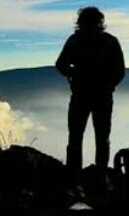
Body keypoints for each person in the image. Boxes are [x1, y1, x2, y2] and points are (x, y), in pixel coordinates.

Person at [55, 7, 125, 183]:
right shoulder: (109, 42)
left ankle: (74, 176)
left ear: (80, 22)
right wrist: (109, 86)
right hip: (101, 97)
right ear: (100, 22)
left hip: (81, 96)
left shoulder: (75, 41)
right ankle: (100, 177)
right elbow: (119, 71)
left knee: (76, 137)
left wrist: (72, 73)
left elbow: (61, 64)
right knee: (101, 138)